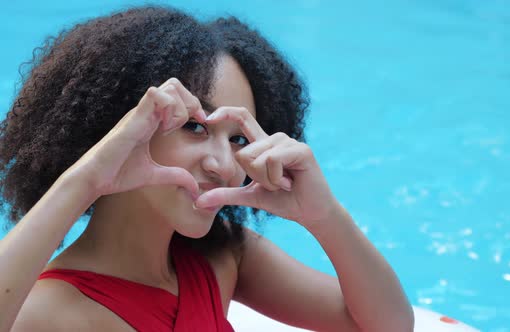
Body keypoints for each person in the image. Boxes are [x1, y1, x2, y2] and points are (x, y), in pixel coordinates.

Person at [0, 6, 413, 332]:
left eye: (238, 139)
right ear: (120, 128)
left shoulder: (225, 256)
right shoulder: (47, 310)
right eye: (195, 126)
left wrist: (324, 216)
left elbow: (386, 325)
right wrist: (87, 178)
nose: (224, 166)